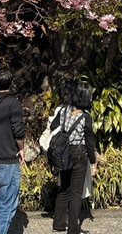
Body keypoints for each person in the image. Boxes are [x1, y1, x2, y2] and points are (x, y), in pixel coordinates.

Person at [52, 80, 97, 234]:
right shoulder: (86, 117)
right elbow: (89, 142)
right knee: (76, 193)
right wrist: (93, 162)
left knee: (64, 188)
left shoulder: (63, 110)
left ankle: (58, 224)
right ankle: (73, 229)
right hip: (79, 154)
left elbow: (53, 126)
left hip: (64, 152)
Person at [0, 68, 25, 234]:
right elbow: (18, 130)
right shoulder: (12, 102)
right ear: (11, 83)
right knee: (7, 205)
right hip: (8, 159)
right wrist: (21, 148)